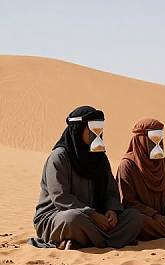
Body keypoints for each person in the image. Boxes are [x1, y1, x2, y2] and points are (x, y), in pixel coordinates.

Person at [31, 106, 142, 250]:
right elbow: (61, 198)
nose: (97, 134)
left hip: (98, 217)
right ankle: (102, 240)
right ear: (78, 129)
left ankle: (81, 241)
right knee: (72, 219)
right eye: (92, 130)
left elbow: (111, 191)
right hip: (58, 216)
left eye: (99, 129)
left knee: (134, 217)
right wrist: (91, 214)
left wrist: (112, 210)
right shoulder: (59, 157)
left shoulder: (100, 157)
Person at [117, 118, 165, 240]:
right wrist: (154, 215)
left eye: (159, 139)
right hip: (146, 217)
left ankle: (159, 233)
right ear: (141, 140)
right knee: (136, 220)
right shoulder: (128, 164)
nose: (157, 144)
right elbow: (128, 201)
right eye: (153, 139)